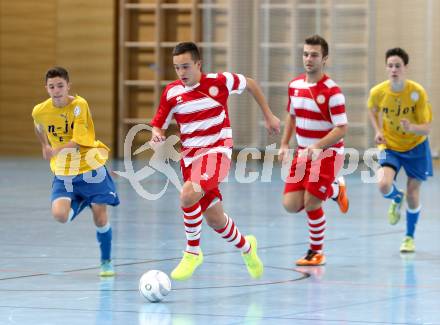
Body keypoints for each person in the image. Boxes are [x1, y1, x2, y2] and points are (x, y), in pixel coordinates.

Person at [149, 42, 280, 281]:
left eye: (186, 66)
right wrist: (156, 135)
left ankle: (192, 252)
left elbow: (250, 83)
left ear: (199, 64)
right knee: (215, 219)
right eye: (177, 68)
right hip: (190, 160)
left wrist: (268, 114)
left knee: (188, 195)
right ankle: (248, 248)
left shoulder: (219, 82)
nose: (182, 72)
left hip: (218, 154)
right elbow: (159, 123)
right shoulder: (171, 93)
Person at [32, 67, 120, 276]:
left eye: (60, 85)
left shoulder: (79, 106)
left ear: (68, 85)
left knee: (100, 216)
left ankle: (106, 261)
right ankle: (82, 201)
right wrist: (44, 145)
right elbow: (38, 127)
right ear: (47, 88)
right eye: (52, 87)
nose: (56, 90)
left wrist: (54, 150)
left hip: (90, 167)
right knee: (60, 215)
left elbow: (79, 142)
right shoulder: (40, 111)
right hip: (64, 171)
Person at [278, 35, 349, 266]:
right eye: (306, 54)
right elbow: (291, 115)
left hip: (328, 153)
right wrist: (284, 144)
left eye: (314, 55)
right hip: (302, 152)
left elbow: (341, 129)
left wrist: (317, 147)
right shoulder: (295, 85)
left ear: (324, 58)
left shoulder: (333, 92)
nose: (309, 59)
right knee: (290, 205)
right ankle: (336, 190)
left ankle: (316, 252)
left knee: (311, 202)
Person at [367, 48, 432, 253]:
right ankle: (396, 197)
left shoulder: (417, 92)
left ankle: (409, 238)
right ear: (386, 67)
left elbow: (427, 127)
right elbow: (372, 109)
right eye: (390, 66)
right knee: (383, 184)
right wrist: (378, 130)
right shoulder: (378, 92)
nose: (394, 69)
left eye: (398, 66)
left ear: (405, 68)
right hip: (391, 146)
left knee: (413, 195)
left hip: (416, 147)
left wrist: (411, 127)